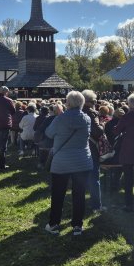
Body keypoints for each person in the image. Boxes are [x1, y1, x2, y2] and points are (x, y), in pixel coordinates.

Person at [44, 91, 93, 236]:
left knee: (58, 194)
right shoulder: (87, 119)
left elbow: (48, 133)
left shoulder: (60, 119)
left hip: (62, 162)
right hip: (82, 160)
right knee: (79, 195)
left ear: (68, 103)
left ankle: (53, 224)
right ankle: (77, 225)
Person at [82, 90, 105, 212]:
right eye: (94, 101)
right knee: (94, 177)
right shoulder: (91, 113)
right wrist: (102, 125)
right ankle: (96, 205)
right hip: (90, 147)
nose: (95, 103)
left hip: (78, 147)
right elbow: (97, 131)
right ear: (88, 102)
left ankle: (81, 203)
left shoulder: (76, 112)